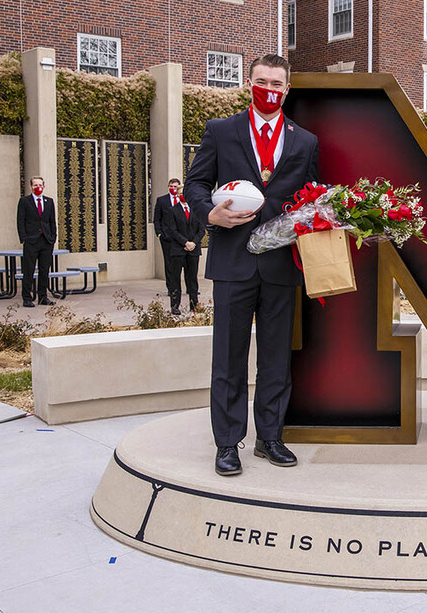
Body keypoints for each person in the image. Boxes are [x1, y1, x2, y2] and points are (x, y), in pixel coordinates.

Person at [185, 54, 319, 476]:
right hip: (232, 262)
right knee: (228, 357)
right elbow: (195, 183)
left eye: (276, 83)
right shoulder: (221, 131)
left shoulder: (305, 141)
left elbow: (311, 195)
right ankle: (227, 443)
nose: (269, 89)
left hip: (281, 265)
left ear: (287, 89)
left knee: (276, 357)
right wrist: (209, 214)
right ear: (249, 83)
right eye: (262, 81)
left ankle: (270, 437)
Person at [160, 184, 205, 315]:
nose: (182, 196)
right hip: (178, 249)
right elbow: (172, 230)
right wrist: (185, 242)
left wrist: (193, 243)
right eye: (180, 194)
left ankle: (194, 304)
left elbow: (201, 230)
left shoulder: (196, 210)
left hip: (193, 249)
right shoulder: (172, 210)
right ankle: (175, 305)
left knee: (192, 278)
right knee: (175, 278)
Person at [15, 176, 58, 308]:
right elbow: (20, 221)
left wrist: (53, 237)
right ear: (31, 187)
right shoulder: (24, 201)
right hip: (31, 241)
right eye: (35, 185)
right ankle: (27, 298)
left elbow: (52, 221)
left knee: (44, 270)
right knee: (29, 270)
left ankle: (43, 297)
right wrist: (24, 238)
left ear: (44, 186)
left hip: (46, 241)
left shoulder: (49, 201)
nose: (38, 187)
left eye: (40, 184)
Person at [154, 178, 181, 298]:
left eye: (175, 186)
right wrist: (160, 234)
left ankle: (191, 288)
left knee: (187, 264)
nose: (173, 188)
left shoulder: (184, 200)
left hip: (182, 237)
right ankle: (172, 288)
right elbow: (157, 219)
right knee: (169, 264)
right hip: (167, 238)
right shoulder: (162, 200)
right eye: (171, 186)